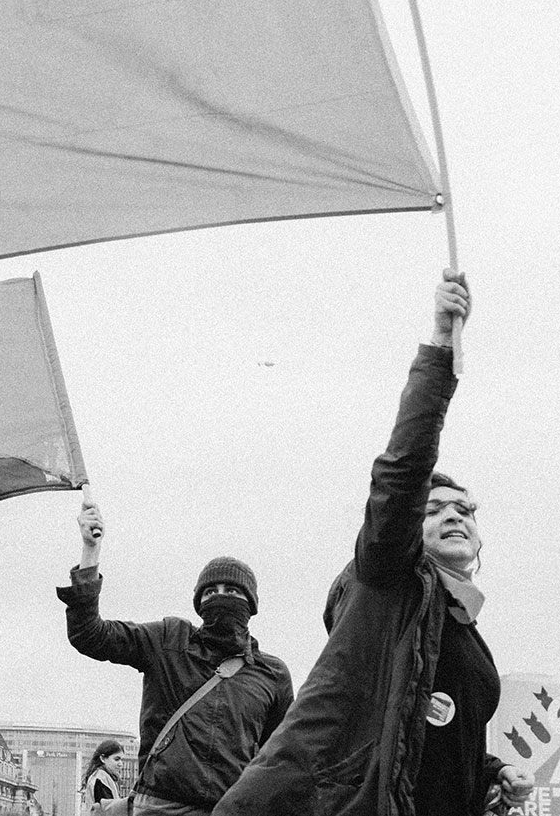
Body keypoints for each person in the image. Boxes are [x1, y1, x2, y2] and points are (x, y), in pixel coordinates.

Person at [213, 271, 533, 816]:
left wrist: (492, 774)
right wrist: (440, 351)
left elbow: (429, 739)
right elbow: (402, 472)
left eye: (465, 509)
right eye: (434, 509)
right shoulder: (390, 581)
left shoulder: (463, 627)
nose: (453, 515)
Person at [58, 516, 294, 815]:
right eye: (210, 592)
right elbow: (90, 635)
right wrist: (90, 552)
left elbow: (280, 758)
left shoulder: (271, 674)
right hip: (160, 807)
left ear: (251, 604)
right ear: (199, 603)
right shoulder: (169, 640)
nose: (220, 596)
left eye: (232, 591)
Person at [82, 739, 125, 805]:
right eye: (116, 759)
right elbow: (107, 809)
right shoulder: (101, 779)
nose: (120, 764)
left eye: (121, 760)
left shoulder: (104, 777)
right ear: (102, 758)